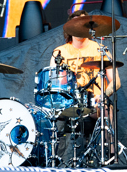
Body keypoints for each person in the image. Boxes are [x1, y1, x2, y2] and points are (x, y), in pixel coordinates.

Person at [49, 9, 121, 164]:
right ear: (70, 27)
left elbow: (116, 81)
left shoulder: (100, 49)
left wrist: (103, 95)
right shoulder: (60, 52)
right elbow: (53, 83)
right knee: (50, 113)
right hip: (68, 103)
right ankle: (54, 162)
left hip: (93, 104)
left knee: (107, 108)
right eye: (77, 23)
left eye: (84, 22)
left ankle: (113, 158)